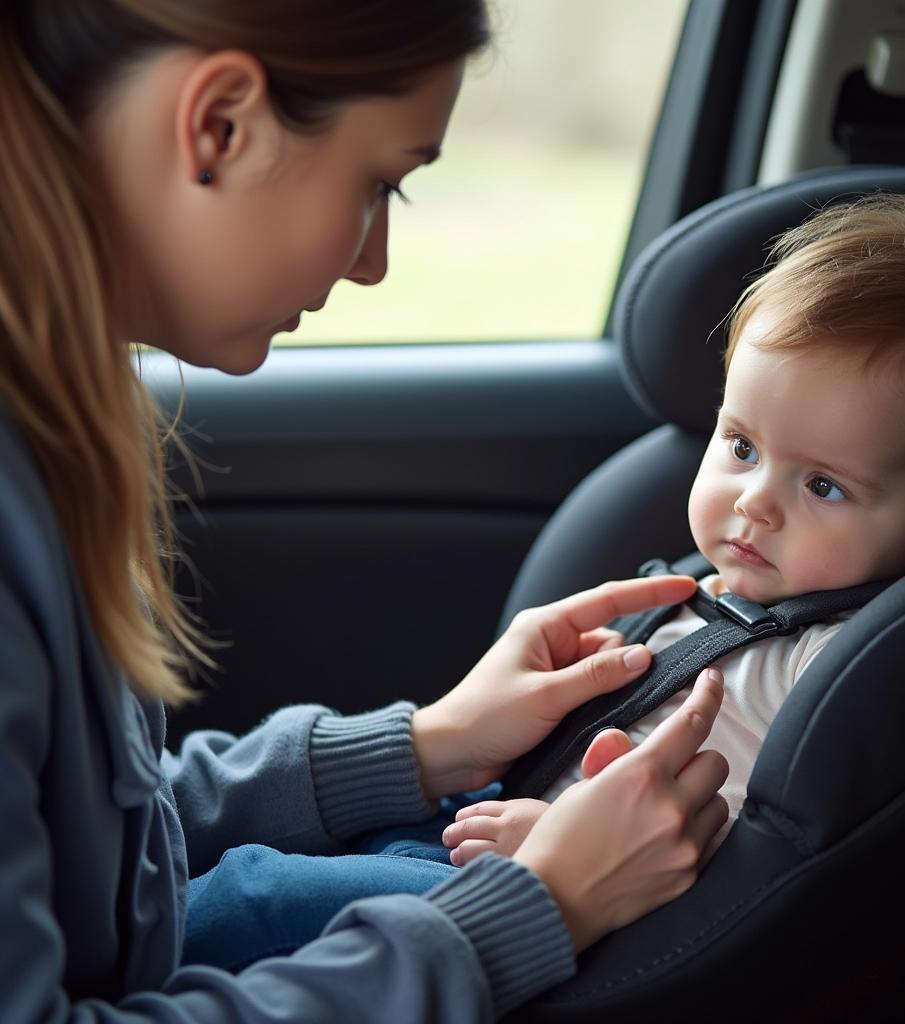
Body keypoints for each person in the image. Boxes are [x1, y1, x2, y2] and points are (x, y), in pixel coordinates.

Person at [0, 3, 733, 1022]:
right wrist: (540, 907)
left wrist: (425, 745)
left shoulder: (49, 421)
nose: (372, 259)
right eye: (379, 182)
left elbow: (96, 835)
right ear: (219, 124)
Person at [180, 192, 905, 969]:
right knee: (281, 862)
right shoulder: (716, 588)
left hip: (568, 899)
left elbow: (759, 850)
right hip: (487, 826)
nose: (754, 505)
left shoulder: (842, 662)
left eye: (824, 486)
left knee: (256, 897)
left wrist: (552, 840)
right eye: (741, 446)